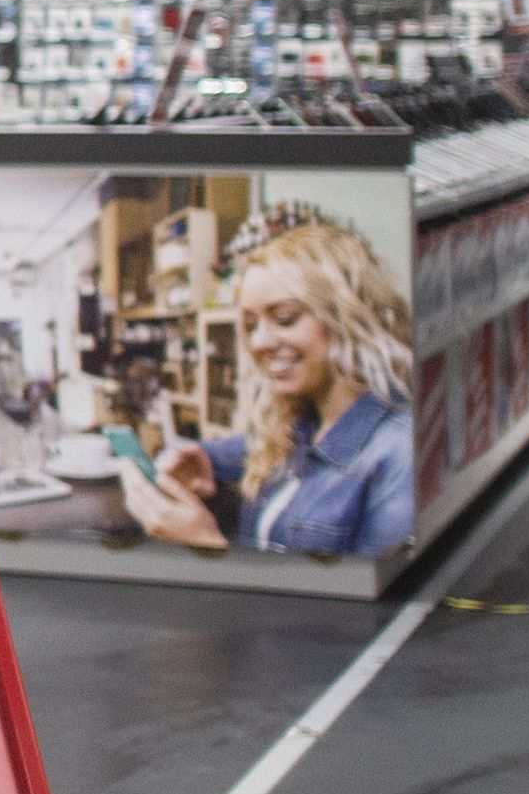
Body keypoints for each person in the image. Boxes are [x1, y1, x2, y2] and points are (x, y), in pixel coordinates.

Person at [123, 216, 415, 557]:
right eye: (250, 324)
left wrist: (208, 548)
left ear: (348, 316)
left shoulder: (400, 454)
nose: (259, 342)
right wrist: (193, 458)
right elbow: (222, 452)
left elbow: (370, 607)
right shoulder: (301, 426)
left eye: (286, 318)